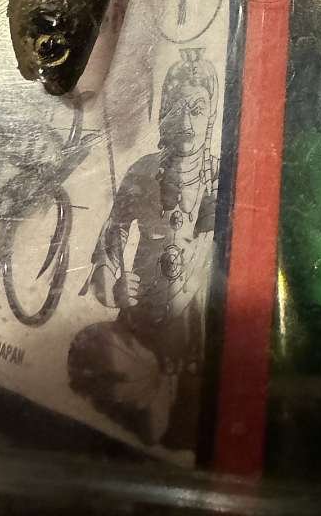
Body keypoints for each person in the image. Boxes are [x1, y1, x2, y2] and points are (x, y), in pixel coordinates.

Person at [69, 48, 219, 451]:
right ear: (163, 113)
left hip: (190, 333)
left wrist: (182, 292)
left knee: (179, 429)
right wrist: (113, 282)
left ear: (211, 115)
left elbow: (207, 254)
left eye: (197, 110)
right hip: (137, 325)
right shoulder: (143, 170)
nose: (186, 123)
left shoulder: (218, 179)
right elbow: (111, 238)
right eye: (177, 109)